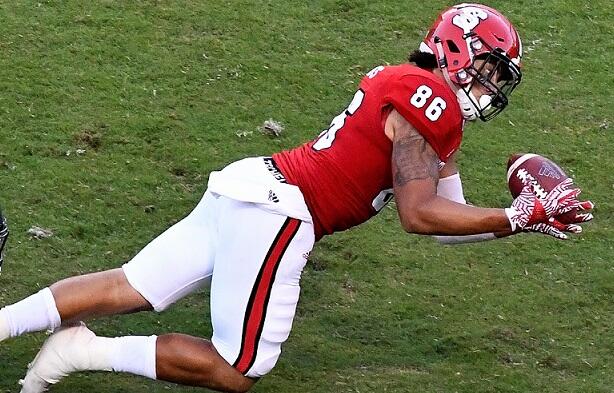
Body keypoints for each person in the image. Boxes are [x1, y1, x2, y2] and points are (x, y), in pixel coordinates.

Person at [0, 4, 594, 393]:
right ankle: (83, 352)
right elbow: (418, 215)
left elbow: (446, 221)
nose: (491, 85)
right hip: (283, 211)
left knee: (131, 285)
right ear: (456, 50)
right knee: (238, 368)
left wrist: (518, 223)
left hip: (251, 183)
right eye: (489, 68)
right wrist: (517, 213)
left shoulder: (418, 96)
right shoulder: (426, 99)